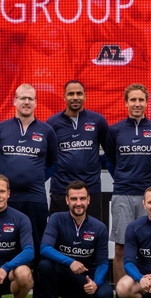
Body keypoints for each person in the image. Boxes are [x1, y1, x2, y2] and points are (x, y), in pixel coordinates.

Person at [0, 83, 57, 298]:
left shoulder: (46, 131)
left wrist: (34, 180)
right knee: (4, 246)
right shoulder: (0, 129)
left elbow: (52, 165)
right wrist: (7, 187)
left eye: (31, 98)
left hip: (35, 198)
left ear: (36, 102)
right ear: (14, 101)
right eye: (22, 98)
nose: (26, 102)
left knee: (36, 249)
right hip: (8, 200)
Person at [103, 83, 151, 298]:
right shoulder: (116, 130)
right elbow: (110, 162)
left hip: (147, 196)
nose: (137, 104)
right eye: (133, 100)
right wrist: (123, 180)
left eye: (141, 100)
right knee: (120, 247)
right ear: (126, 103)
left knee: (149, 250)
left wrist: (147, 186)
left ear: (147, 102)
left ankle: (149, 297)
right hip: (122, 194)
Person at [38, 181, 113, 298]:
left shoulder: (99, 227)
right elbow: (45, 248)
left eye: (82, 199)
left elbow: (103, 262)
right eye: (74, 199)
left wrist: (95, 283)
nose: (78, 203)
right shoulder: (56, 219)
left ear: (88, 200)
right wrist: (70, 262)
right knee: (44, 265)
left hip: (85, 279)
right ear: (67, 200)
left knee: (106, 295)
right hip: (63, 276)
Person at [46, 79, 109, 221]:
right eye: (71, 94)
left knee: (91, 234)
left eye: (79, 93)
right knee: (59, 234)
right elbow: (47, 157)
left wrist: (95, 164)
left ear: (85, 96)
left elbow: (110, 152)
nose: (75, 97)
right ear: (64, 97)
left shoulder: (97, 120)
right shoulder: (52, 123)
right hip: (61, 189)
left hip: (91, 188)